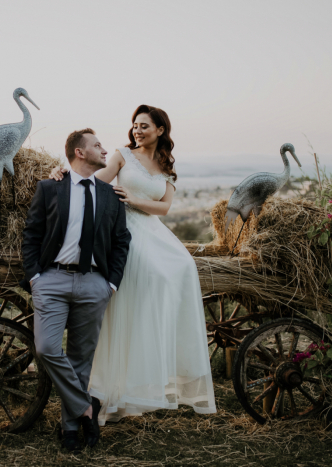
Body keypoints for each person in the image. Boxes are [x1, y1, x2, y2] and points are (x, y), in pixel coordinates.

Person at [48, 105, 216, 426]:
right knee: (144, 277)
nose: (137, 130)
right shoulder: (124, 154)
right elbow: (96, 180)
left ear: (160, 130)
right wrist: (66, 174)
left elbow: (164, 207)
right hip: (123, 231)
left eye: (144, 126)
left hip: (152, 229)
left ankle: (150, 370)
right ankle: (107, 390)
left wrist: (134, 200)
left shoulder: (166, 166)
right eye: (135, 125)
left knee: (182, 267)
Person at [21, 128, 131, 452]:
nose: (104, 149)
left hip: (95, 282)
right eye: (97, 145)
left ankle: (70, 430)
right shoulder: (50, 187)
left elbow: (122, 241)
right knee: (46, 349)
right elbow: (31, 234)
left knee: (81, 358)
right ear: (79, 152)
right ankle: (86, 407)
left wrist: (111, 283)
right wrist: (35, 278)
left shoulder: (111, 195)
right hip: (52, 280)